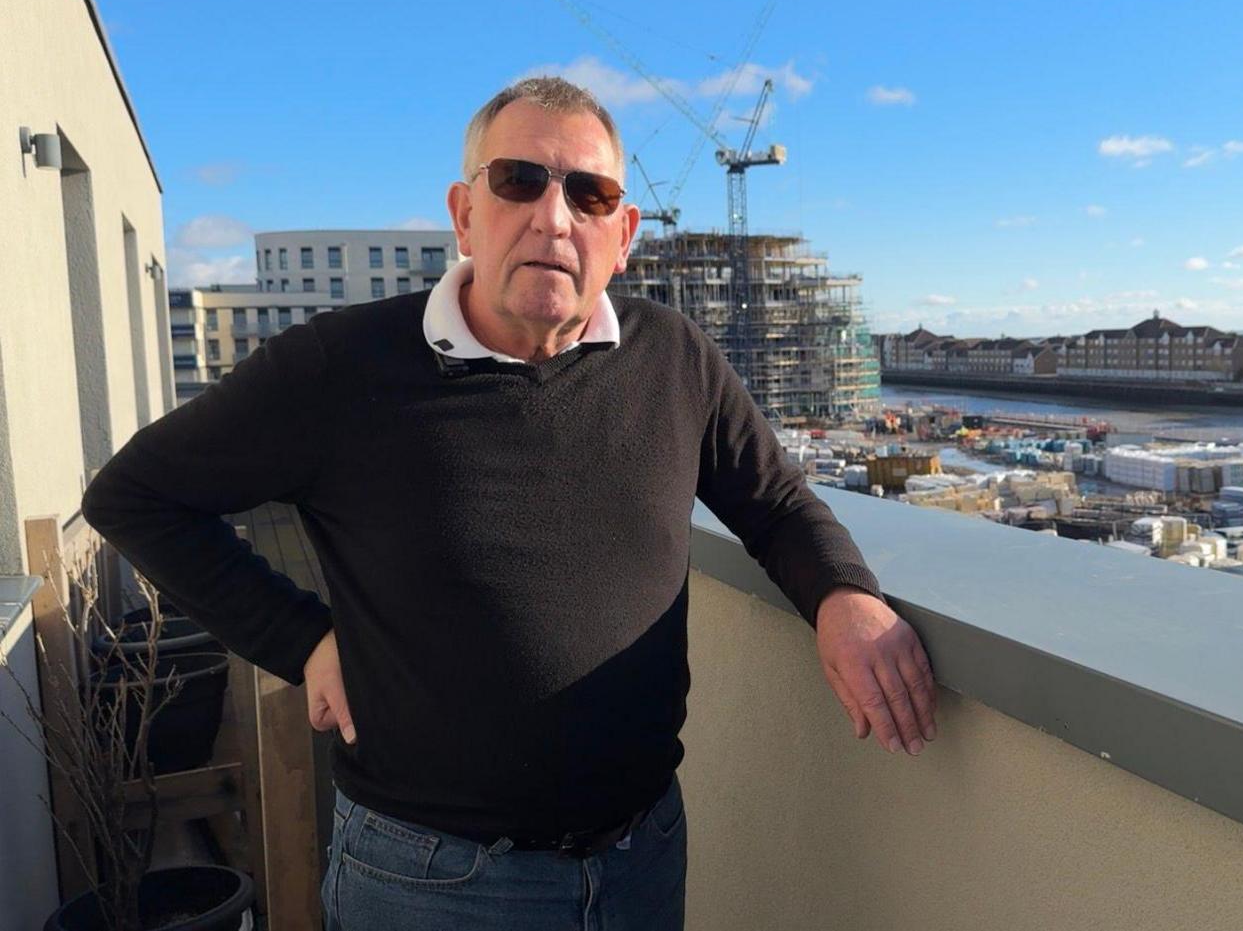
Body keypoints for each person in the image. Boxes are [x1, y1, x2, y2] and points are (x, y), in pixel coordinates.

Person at [81, 76, 936, 931]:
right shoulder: (341, 368)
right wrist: (302, 639)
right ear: (464, 212)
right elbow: (137, 496)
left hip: (642, 857)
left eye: (590, 193)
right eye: (520, 180)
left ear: (624, 233)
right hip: (427, 883)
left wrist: (844, 596)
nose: (554, 218)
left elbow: (776, 502)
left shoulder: (673, 358)